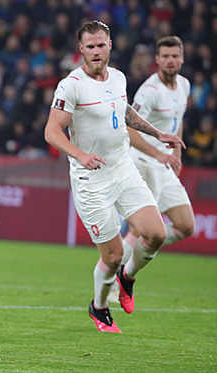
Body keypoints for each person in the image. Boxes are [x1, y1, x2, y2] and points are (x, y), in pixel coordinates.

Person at [44, 21, 185, 333]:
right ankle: (99, 306)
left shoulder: (119, 78)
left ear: (110, 45)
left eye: (101, 45)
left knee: (156, 234)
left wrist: (158, 132)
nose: (96, 51)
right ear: (81, 49)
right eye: (90, 46)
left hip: (123, 169)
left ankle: (127, 277)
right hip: (91, 181)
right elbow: (51, 132)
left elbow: (125, 114)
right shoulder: (71, 85)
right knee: (113, 254)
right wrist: (80, 155)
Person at [108, 36, 195, 304]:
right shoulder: (149, 90)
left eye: (175, 56)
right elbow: (129, 130)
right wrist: (159, 154)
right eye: (165, 56)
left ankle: (126, 265)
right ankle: (114, 283)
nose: (170, 60)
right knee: (140, 232)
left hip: (165, 165)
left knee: (185, 226)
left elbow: (176, 122)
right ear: (157, 60)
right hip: (143, 164)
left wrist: (176, 152)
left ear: (181, 58)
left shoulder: (184, 85)